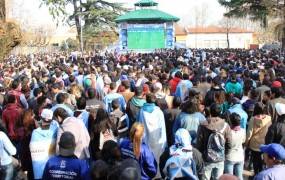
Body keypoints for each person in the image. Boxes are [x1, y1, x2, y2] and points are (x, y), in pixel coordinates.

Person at [196, 103, 232, 180]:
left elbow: (199, 143)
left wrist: (201, 155)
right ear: (220, 112)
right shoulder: (226, 126)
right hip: (220, 158)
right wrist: (225, 154)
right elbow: (229, 143)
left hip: (206, 158)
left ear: (210, 112)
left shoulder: (203, 125)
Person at [136, 93, 167, 178]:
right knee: (157, 158)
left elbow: (137, 126)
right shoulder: (159, 111)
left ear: (146, 100)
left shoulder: (141, 111)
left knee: (146, 159)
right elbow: (162, 128)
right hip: (158, 140)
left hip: (145, 140)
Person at [30, 109, 59, 179]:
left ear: (41, 117)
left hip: (39, 169)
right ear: (52, 119)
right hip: (53, 166)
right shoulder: (56, 130)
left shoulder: (35, 133)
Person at [245, 103, 272, 178]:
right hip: (264, 143)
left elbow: (249, 132)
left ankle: (256, 176)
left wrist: (246, 142)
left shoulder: (253, 119)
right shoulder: (269, 118)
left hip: (254, 144)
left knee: (255, 162)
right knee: (263, 162)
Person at [15, 109, 39, 180]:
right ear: (28, 117)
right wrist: (37, 127)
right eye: (32, 114)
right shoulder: (27, 130)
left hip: (24, 154)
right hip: (31, 155)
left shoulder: (19, 127)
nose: (34, 115)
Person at [224, 113, 245, 180]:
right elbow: (243, 141)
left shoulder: (228, 132)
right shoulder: (243, 131)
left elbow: (226, 144)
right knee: (240, 177)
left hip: (230, 157)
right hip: (240, 156)